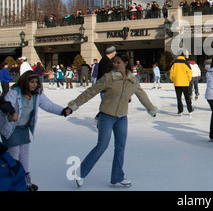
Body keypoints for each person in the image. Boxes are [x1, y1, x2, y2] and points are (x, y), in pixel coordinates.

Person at [67, 53, 158, 188]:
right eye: (114, 62)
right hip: (106, 117)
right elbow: (90, 92)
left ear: (126, 63)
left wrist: (151, 109)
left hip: (122, 118)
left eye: (118, 62)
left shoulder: (132, 80)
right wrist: (73, 105)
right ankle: (81, 173)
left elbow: (141, 95)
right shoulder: (108, 78)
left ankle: (117, 177)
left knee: (120, 148)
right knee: (101, 146)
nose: (114, 65)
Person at [0, 70, 71, 191]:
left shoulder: (37, 94)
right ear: (24, 82)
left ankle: (26, 181)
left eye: (36, 82)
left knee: (25, 155)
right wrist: (11, 112)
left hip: (23, 128)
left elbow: (48, 105)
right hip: (11, 128)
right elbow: (7, 105)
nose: (34, 85)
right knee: (14, 156)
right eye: (31, 82)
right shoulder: (14, 93)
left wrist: (62, 111)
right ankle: (12, 181)